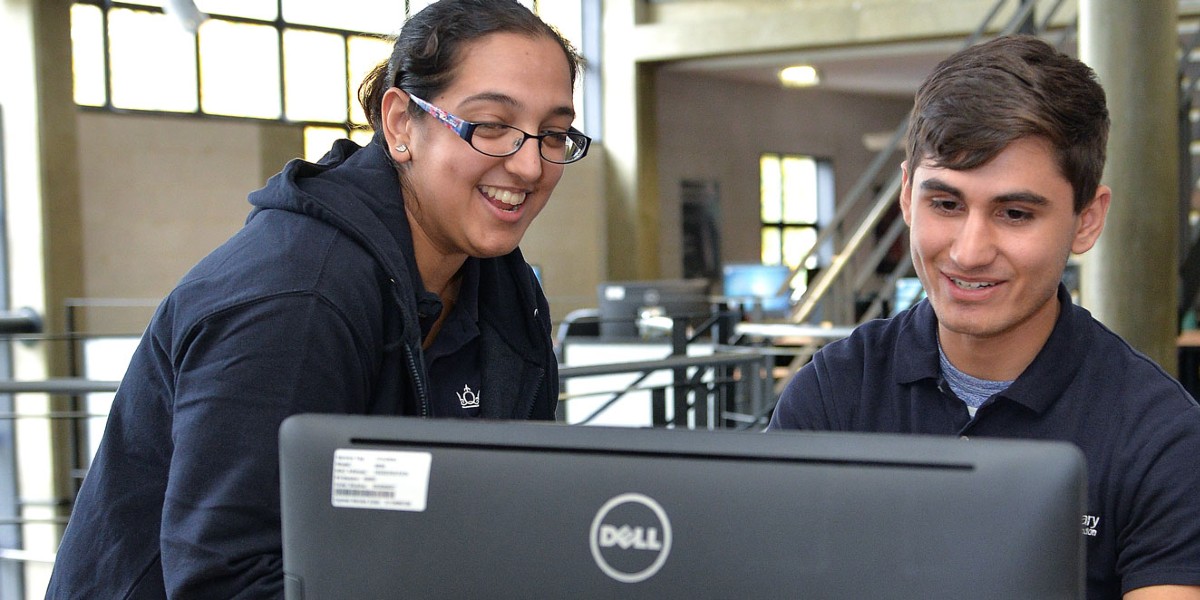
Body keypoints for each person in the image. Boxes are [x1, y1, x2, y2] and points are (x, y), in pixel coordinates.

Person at [45, 1, 588, 597]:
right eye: (489, 125)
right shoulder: (297, 299)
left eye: (555, 134)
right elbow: (224, 583)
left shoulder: (503, 290)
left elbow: (507, 515)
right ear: (402, 123)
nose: (532, 164)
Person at [768, 35, 1200, 600]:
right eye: (945, 204)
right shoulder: (834, 393)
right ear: (906, 196)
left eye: (1015, 213)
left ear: (1086, 221)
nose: (969, 251)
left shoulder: (1159, 435)